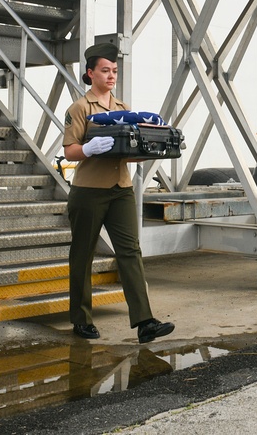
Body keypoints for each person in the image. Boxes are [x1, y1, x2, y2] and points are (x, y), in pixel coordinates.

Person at [63, 42, 175, 343]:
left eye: (114, 70)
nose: (111, 75)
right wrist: (87, 148)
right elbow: (70, 150)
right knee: (83, 254)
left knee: (130, 252)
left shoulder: (124, 109)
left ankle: (144, 322)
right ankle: (81, 319)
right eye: (105, 70)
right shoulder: (79, 109)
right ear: (90, 73)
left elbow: (129, 154)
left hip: (121, 189)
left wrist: (152, 145)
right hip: (88, 192)